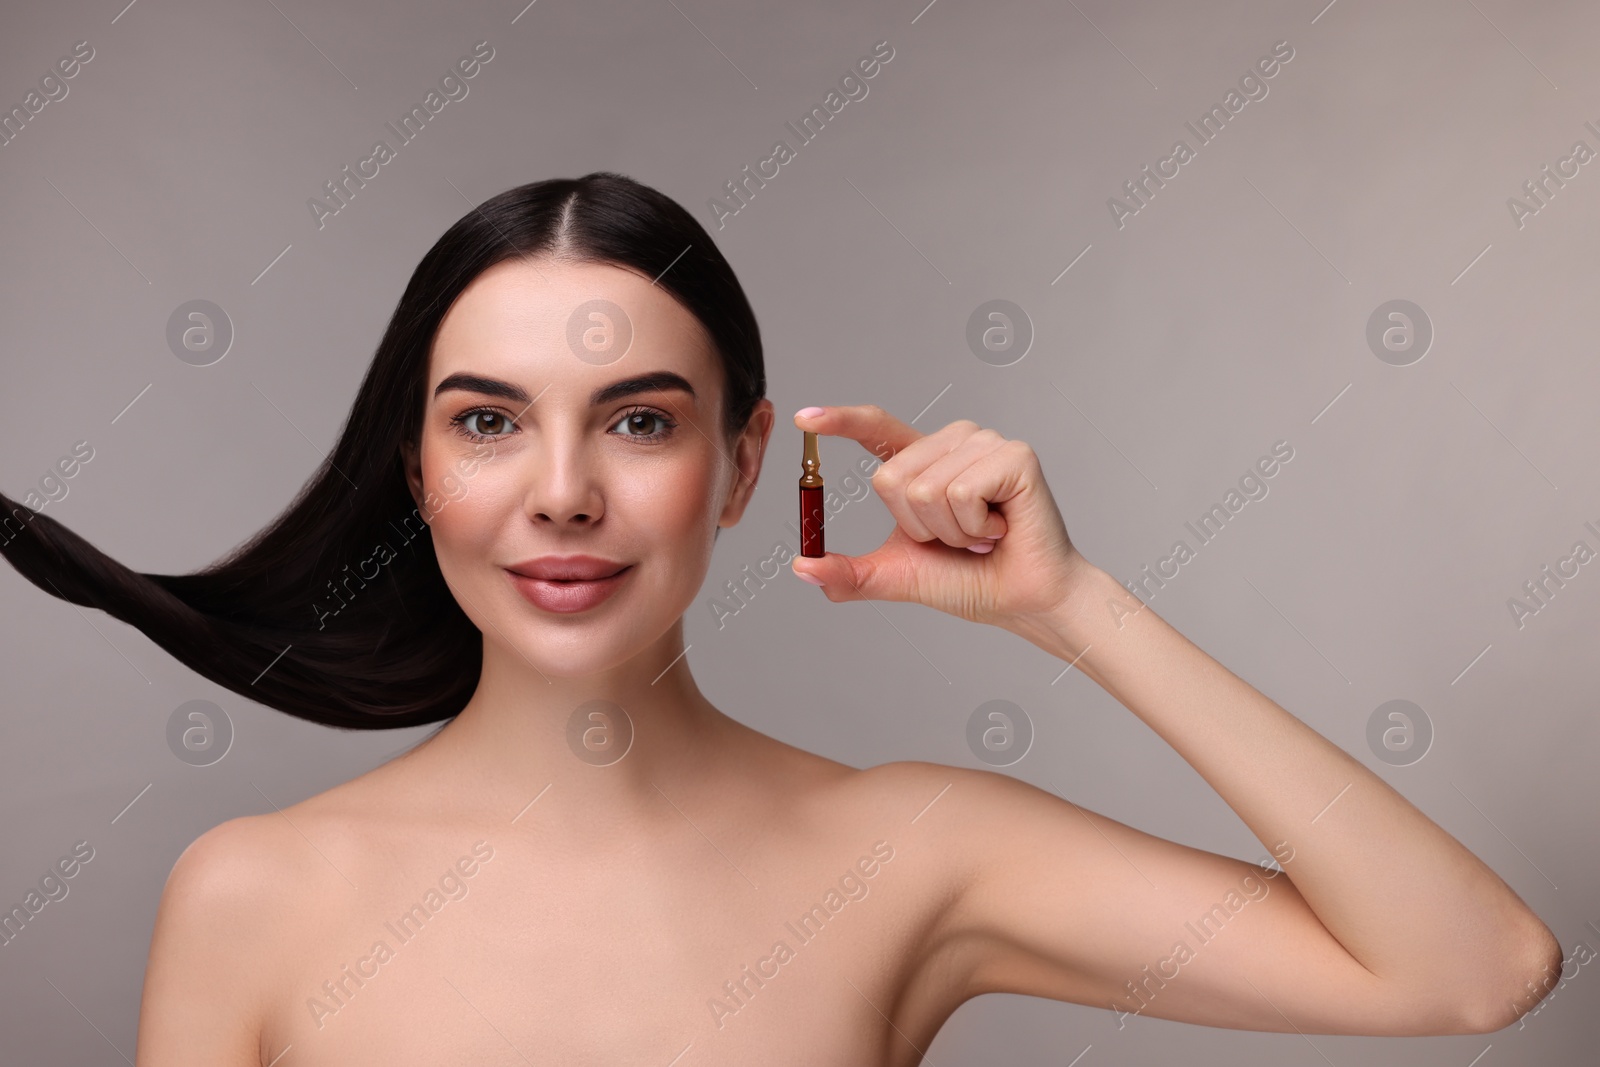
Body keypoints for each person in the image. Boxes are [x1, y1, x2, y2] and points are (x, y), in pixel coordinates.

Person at [1, 172, 1560, 1065]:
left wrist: (1073, 606)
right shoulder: (258, 896)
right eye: (486, 424)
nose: (560, 493)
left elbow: (1473, 968)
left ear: (745, 465)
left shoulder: (913, 852)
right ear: (417, 470)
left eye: (638, 422)